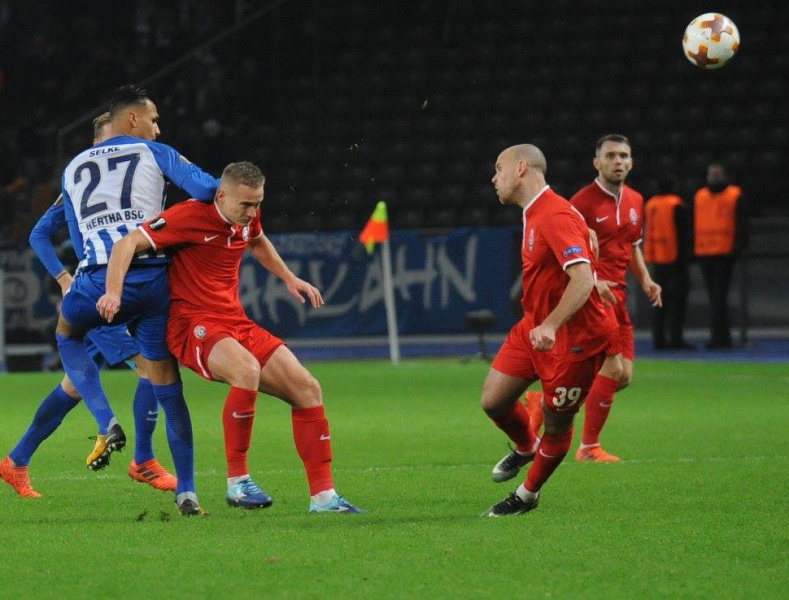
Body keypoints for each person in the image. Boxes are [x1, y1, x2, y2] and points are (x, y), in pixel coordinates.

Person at [97, 161, 364, 514]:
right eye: (245, 205)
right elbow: (126, 244)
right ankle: (238, 482)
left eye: (258, 204)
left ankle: (324, 497)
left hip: (234, 321)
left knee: (308, 388)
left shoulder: (246, 217)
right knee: (246, 370)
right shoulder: (189, 216)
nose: (252, 212)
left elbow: (257, 240)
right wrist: (113, 293)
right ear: (221, 195)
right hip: (191, 323)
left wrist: (289, 278)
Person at [56, 84, 220, 516]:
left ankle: (105, 419)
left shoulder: (72, 167)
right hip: (150, 282)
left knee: (68, 335)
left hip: (94, 282)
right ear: (132, 119)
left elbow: (75, 237)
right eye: (153, 118)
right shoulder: (156, 152)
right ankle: (187, 490)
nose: (157, 126)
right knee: (167, 384)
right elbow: (208, 191)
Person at [0, 113, 176, 499]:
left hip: (121, 289)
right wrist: (65, 280)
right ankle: (141, 458)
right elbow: (39, 233)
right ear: (103, 140)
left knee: (73, 385)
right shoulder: (83, 181)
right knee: (151, 365)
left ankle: (16, 460)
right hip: (102, 293)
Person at [482, 144, 617, 516]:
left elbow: (582, 278)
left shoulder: (553, 214)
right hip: (535, 326)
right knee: (494, 401)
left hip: (576, 340)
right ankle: (526, 446)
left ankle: (528, 495)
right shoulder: (540, 211)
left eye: (499, 168)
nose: (494, 178)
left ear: (522, 168)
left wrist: (552, 325)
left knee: (557, 425)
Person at [523, 134, 662, 462]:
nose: (618, 161)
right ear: (596, 162)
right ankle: (588, 447)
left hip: (620, 295)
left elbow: (631, 245)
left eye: (624, 156)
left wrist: (645, 279)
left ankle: (543, 403)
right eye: (611, 155)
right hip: (594, 297)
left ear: (632, 162)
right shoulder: (580, 202)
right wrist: (595, 280)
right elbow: (571, 252)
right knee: (612, 371)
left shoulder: (636, 201)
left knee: (622, 376)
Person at [694, 162, 749, 349]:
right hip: (705, 253)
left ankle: (720, 338)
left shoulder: (735, 195)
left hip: (725, 253)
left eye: (717, 174)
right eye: (711, 174)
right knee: (715, 298)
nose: (714, 178)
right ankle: (720, 337)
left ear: (725, 175)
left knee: (718, 297)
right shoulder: (700, 196)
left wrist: (739, 246)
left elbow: (742, 222)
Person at [644, 174, 693, 350]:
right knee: (677, 303)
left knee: (659, 302)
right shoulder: (676, 204)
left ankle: (659, 340)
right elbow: (684, 235)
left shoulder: (651, 204)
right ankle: (676, 339)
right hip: (675, 261)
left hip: (657, 260)